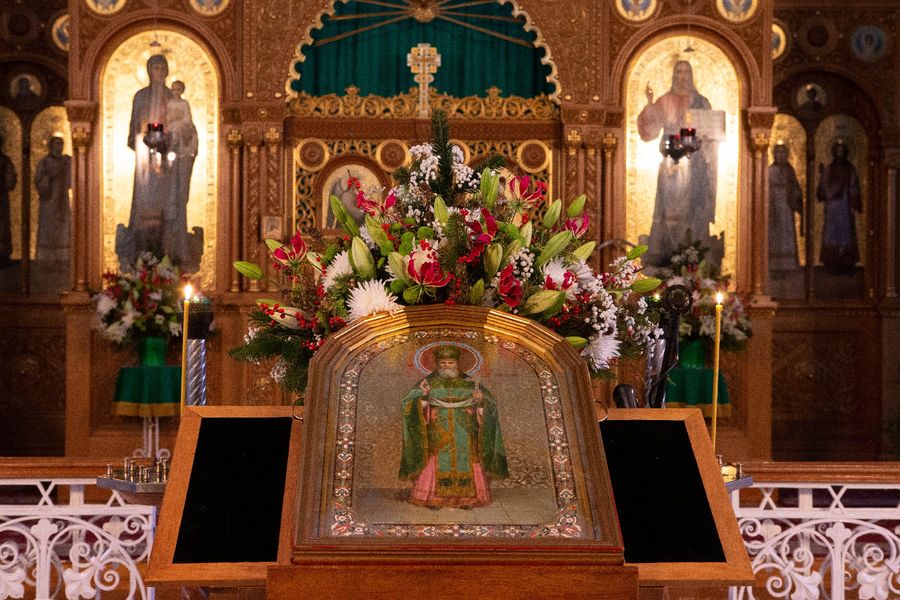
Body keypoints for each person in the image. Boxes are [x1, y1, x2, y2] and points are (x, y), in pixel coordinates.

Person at [116, 55, 203, 273]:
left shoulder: (174, 97)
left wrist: (175, 137)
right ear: (148, 71)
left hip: (169, 161)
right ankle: (141, 251)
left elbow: (187, 128)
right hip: (145, 162)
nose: (159, 72)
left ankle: (171, 251)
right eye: (155, 68)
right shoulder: (141, 96)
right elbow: (132, 131)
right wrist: (145, 137)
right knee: (145, 201)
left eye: (163, 68)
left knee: (170, 202)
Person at [399, 345, 508, 509]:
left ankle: (467, 499)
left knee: (468, 458)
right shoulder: (427, 382)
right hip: (437, 429)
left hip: (465, 429)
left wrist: (481, 401)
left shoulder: (470, 383)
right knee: (435, 459)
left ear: (457, 363)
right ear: (437, 364)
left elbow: (490, 404)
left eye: (450, 363)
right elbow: (408, 404)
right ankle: (433, 498)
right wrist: (423, 397)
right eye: (442, 363)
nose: (446, 366)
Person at [637, 60, 719, 268]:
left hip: (695, 165)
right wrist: (650, 103)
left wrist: (707, 140)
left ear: (691, 75)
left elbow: (711, 134)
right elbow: (649, 131)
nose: (682, 76)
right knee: (669, 210)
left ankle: (693, 258)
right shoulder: (664, 101)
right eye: (678, 72)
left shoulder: (701, 102)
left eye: (686, 72)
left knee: (693, 209)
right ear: (674, 75)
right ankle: (667, 257)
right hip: (671, 165)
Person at [816, 141, 862, 273]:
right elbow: (824, 187)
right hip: (832, 207)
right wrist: (822, 176)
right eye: (837, 151)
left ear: (845, 153)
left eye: (842, 151)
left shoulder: (850, 169)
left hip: (845, 204)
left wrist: (854, 201)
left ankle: (846, 262)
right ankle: (831, 262)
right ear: (834, 153)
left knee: (845, 231)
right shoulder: (829, 169)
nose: (839, 153)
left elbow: (854, 186)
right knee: (832, 232)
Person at [34, 136, 72, 261]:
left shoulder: (66, 161)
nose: (59, 147)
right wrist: (49, 179)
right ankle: (46, 257)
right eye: (56, 144)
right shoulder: (44, 162)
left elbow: (72, 180)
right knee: (48, 226)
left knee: (62, 226)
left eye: (61, 144)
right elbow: (38, 180)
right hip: (49, 199)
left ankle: (63, 256)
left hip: (62, 198)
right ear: (51, 146)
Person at [768, 144, 803, 271]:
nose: (780, 155)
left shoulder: (789, 170)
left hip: (787, 205)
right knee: (775, 232)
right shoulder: (770, 170)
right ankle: (774, 265)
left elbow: (795, 187)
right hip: (773, 204)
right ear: (774, 155)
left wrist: (796, 194)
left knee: (787, 231)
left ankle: (788, 265)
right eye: (778, 153)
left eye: (783, 153)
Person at [0, 135, 16, 267]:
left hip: (1, 198)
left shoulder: (5, 161)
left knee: (2, 227)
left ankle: (2, 255)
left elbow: (10, 181)